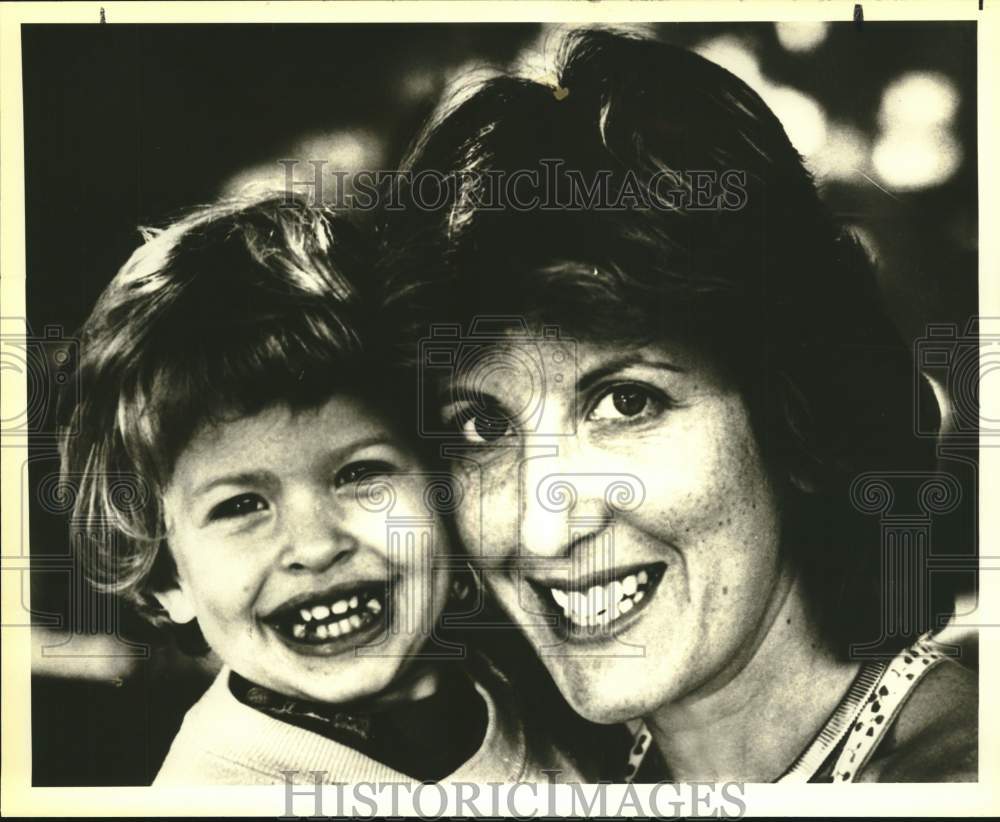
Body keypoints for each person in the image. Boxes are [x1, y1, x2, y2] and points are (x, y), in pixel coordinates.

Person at [374, 28, 977, 782]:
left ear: (796, 414)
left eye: (627, 401)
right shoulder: (550, 766)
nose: (544, 524)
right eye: (482, 426)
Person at [56, 194, 613, 785]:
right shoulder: (212, 792)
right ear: (167, 577)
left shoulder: (546, 684)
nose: (317, 546)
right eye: (240, 505)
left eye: (359, 474)